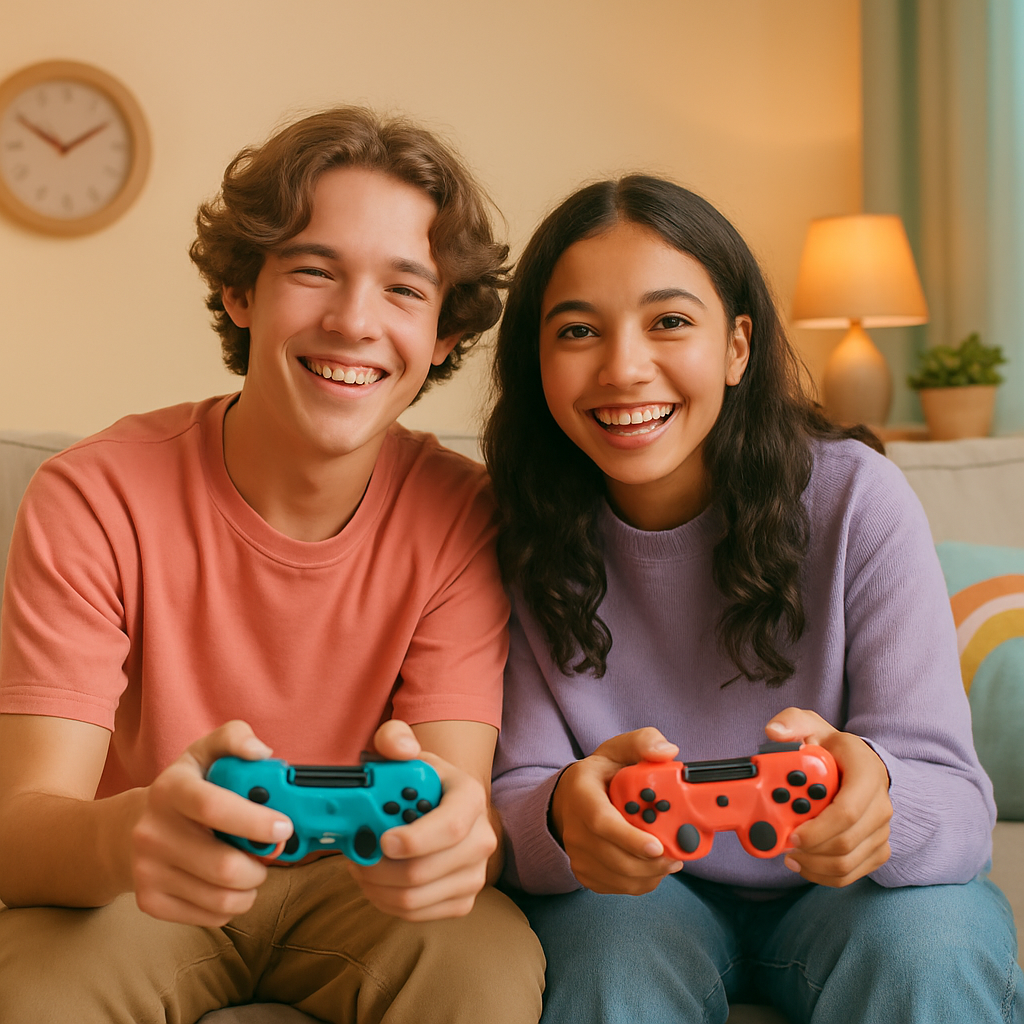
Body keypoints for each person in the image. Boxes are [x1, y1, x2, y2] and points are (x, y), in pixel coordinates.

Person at [0, 106, 543, 1024]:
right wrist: (130, 831)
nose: (354, 321)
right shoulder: (92, 493)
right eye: (313, 271)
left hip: (365, 889)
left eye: (406, 291)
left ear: (445, 336)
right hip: (144, 881)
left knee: (483, 970)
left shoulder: (464, 513)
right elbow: (22, 826)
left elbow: (463, 808)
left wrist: (463, 843)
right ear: (242, 291)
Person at [484, 174, 1022, 1023]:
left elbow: (956, 805)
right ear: (538, 362)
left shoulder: (857, 502)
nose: (624, 368)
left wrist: (879, 795)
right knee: (607, 964)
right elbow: (517, 796)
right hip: (639, 899)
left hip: (853, 895)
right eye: (579, 330)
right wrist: (561, 815)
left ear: (737, 346)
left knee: (932, 948)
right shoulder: (506, 529)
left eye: (669, 322)